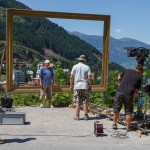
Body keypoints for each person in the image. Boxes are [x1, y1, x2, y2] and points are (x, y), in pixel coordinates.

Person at [112, 65, 143, 131]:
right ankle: (127, 127)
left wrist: (121, 81)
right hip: (129, 94)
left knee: (116, 108)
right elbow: (136, 91)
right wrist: (133, 97)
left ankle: (114, 124)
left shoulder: (127, 70)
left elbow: (119, 78)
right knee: (128, 111)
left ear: (135, 68)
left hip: (120, 92)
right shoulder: (139, 77)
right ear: (140, 71)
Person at [70, 55, 92, 120]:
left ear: (79, 60)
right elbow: (90, 78)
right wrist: (90, 86)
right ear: (84, 60)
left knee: (78, 101)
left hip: (77, 86)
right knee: (85, 101)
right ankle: (86, 115)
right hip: (85, 86)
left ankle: (77, 116)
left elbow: (71, 77)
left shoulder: (75, 66)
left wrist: (71, 86)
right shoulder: (87, 67)